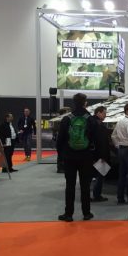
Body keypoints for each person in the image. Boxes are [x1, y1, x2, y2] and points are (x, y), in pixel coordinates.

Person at [56, 93, 99, 222]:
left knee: (70, 186)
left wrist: (62, 157)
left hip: (69, 157)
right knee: (85, 186)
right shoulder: (90, 119)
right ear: (85, 103)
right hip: (86, 157)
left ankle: (68, 214)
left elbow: (60, 140)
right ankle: (87, 213)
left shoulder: (66, 119)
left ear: (73, 103)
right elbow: (96, 139)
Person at [91, 106, 111, 202]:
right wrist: (103, 156)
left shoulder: (91, 122)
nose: (105, 115)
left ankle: (87, 195)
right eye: (104, 113)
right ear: (98, 113)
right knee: (100, 175)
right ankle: (97, 195)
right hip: (99, 155)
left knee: (90, 176)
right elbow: (101, 142)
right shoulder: (98, 124)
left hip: (91, 154)